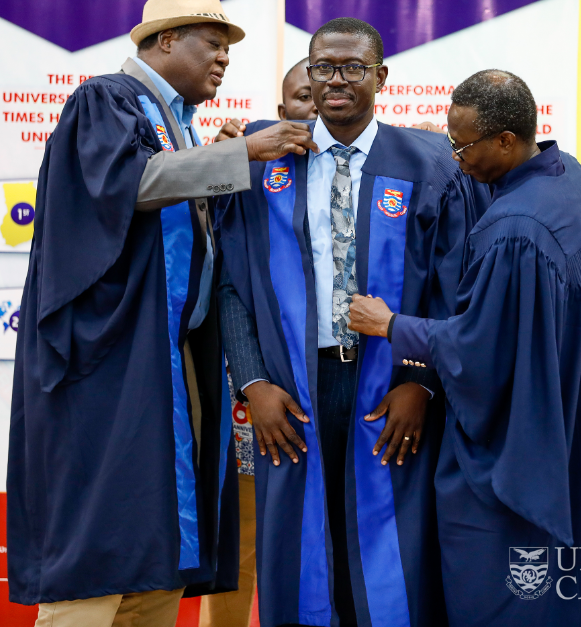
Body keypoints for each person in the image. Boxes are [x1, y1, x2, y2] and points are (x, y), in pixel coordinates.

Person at [6, 0, 317, 625]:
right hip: (109, 362)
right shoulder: (106, 99)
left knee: (161, 548)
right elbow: (130, 184)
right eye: (212, 41)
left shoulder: (184, 127)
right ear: (166, 40)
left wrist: (229, 164)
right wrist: (242, 155)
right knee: (99, 541)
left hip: (172, 360)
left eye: (229, 44)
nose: (226, 55)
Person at [349, 70, 581, 627]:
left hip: (525, 437)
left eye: (462, 145)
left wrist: (391, 324)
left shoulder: (516, 231)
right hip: (575, 408)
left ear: (506, 142)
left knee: (512, 579)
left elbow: (479, 349)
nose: (455, 158)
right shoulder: (566, 177)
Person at [215, 18, 490, 627]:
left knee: (390, 547)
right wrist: (253, 383)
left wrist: (421, 381)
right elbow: (233, 284)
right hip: (292, 388)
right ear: (308, 76)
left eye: (352, 68)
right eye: (323, 68)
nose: (336, 82)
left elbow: (452, 289)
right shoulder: (264, 158)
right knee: (299, 545)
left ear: (380, 77)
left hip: (390, 387)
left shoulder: (427, 163)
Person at [199, 57, 319, 627]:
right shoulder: (247, 175)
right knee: (243, 541)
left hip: (348, 399)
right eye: (302, 97)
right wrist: (253, 383)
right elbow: (230, 288)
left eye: (325, 96)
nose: (316, 107)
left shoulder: (378, 178)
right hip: (262, 404)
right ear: (280, 113)